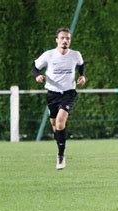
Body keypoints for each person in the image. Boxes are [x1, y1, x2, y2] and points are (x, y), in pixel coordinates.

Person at [32, 27, 86, 170]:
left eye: (67, 38)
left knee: (61, 123)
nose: (65, 40)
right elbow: (35, 67)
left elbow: (81, 65)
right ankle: (60, 147)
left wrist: (82, 76)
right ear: (57, 40)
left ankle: (61, 155)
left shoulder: (75, 55)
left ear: (70, 40)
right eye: (62, 38)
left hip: (69, 93)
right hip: (52, 94)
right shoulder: (49, 55)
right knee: (55, 126)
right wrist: (37, 76)